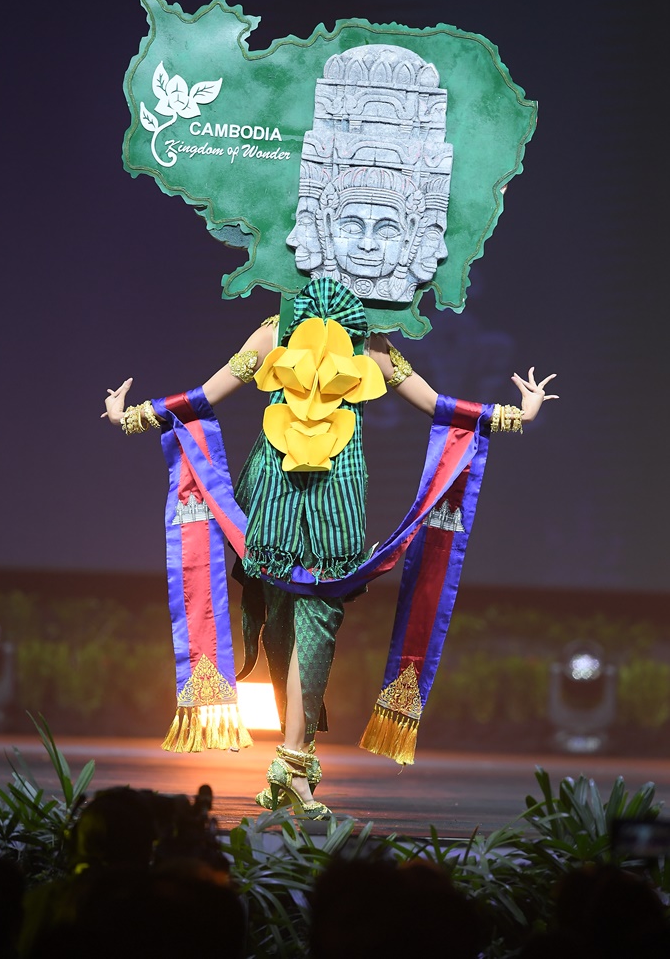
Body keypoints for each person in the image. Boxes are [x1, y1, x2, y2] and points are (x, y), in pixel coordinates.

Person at [103, 278, 557, 817]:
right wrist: (131, 417)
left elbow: (438, 405)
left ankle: (293, 760)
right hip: (275, 492)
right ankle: (291, 761)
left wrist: (514, 414)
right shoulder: (273, 334)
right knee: (281, 624)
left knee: (318, 620)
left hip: (336, 501)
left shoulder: (372, 345)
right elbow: (205, 396)